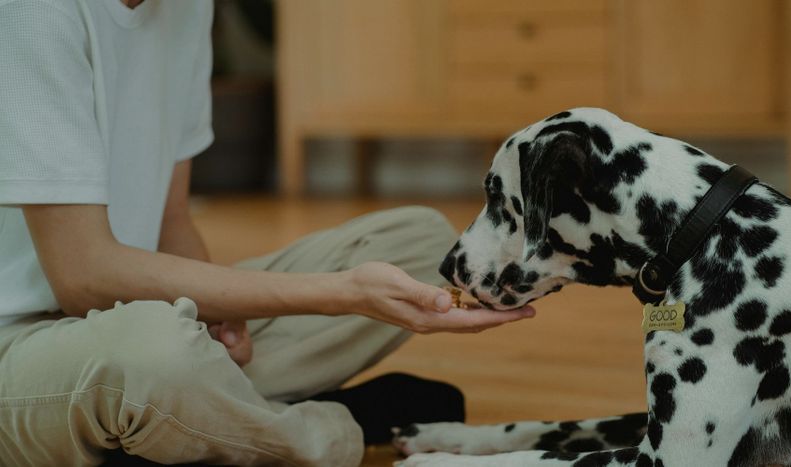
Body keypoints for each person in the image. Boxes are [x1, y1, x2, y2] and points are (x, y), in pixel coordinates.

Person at [0, 1, 535, 465]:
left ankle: (192, 425)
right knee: (155, 356)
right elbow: (83, 276)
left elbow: (171, 220)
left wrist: (216, 319)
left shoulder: (185, 7)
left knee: (418, 242)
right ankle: (333, 429)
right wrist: (344, 292)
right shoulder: (34, 12)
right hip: (21, 350)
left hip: (127, 315)